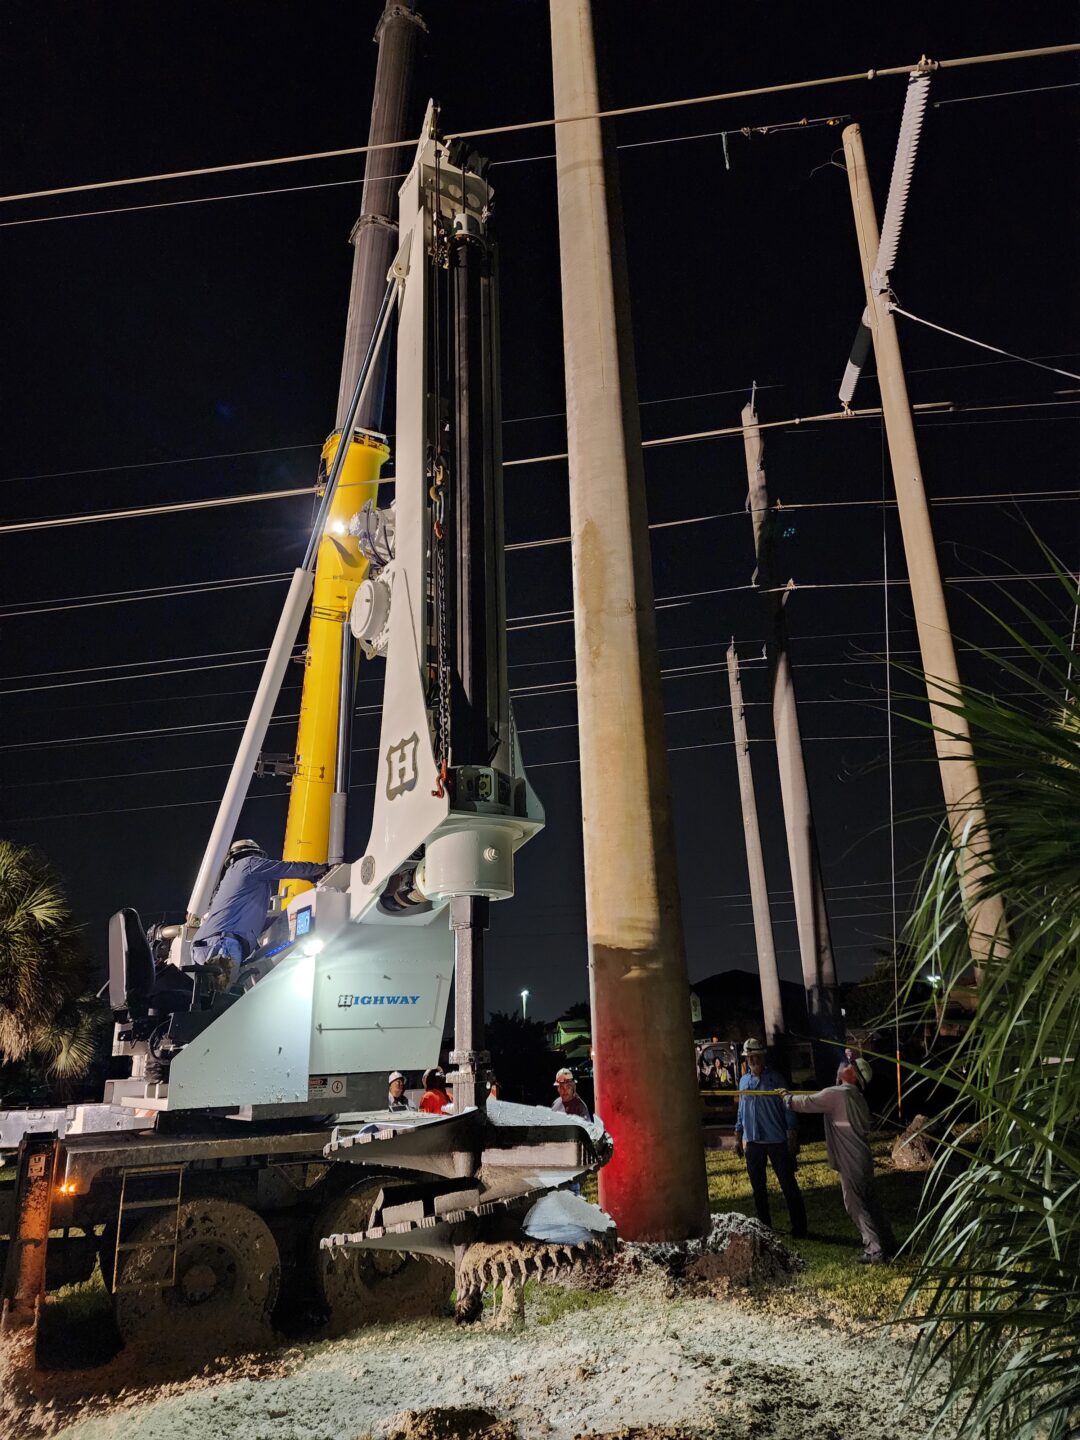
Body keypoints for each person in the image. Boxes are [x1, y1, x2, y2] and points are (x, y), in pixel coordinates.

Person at [785, 1059, 896, 1264]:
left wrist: (786, 1098)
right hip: (862, 1157)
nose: (845, 1065)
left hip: (850, 1159)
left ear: (855, 1076)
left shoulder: (838, 1093)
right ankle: (888, 1241)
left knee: (854, 1204)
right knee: (870, 1201)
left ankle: (875, 1249)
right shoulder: (858, 1098)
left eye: (850, 1065)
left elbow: (807, 1102)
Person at [191, 838, 327, 986]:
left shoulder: (232, 883)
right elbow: (285, 868)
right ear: (253, 854)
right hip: (222, 945)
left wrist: (283, 918)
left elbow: (252, 921)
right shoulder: (247, 864)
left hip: (208, 945)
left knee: (212, 996)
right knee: (222, 995)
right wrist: (320, 870)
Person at [734, 1037, 807, 1238]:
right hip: (753, 1142)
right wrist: (738, 1134)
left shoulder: (776, 1080)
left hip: (776, 1141)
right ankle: (764, 1228)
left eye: (756, 1055)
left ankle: (800, 1228)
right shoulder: (744, 1081)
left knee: (788, 1185)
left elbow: (788, 1107)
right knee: (758, 1189)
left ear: (762, 1056)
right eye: (750, 1056)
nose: (753, 1059)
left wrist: (791, 1133)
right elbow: (741, 1110)